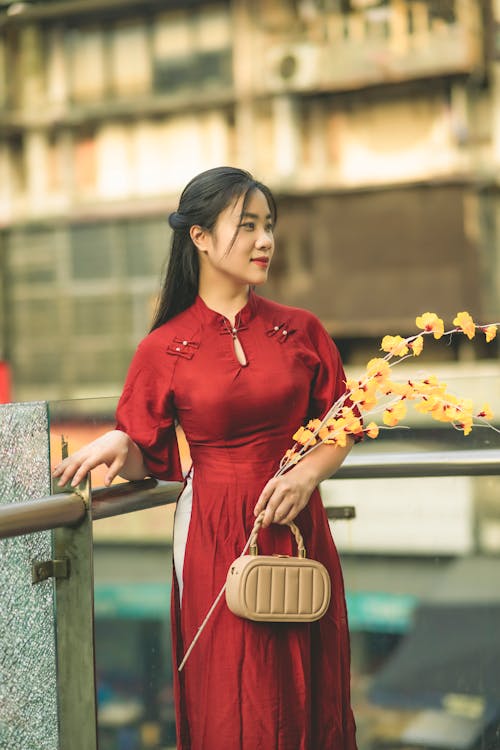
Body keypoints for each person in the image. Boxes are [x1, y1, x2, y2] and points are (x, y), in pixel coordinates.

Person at [53, 166, 358, 750]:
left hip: (298, 527)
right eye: (247, 226)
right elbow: (150, 452)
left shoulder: (303, 331)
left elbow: (340, 424)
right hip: (213, 535)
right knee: (231, 701)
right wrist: (123, 442)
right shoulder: (163, 346)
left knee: (309, 693)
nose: (265, 240)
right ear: (199, 237)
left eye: (268, 226)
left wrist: (309, 474)